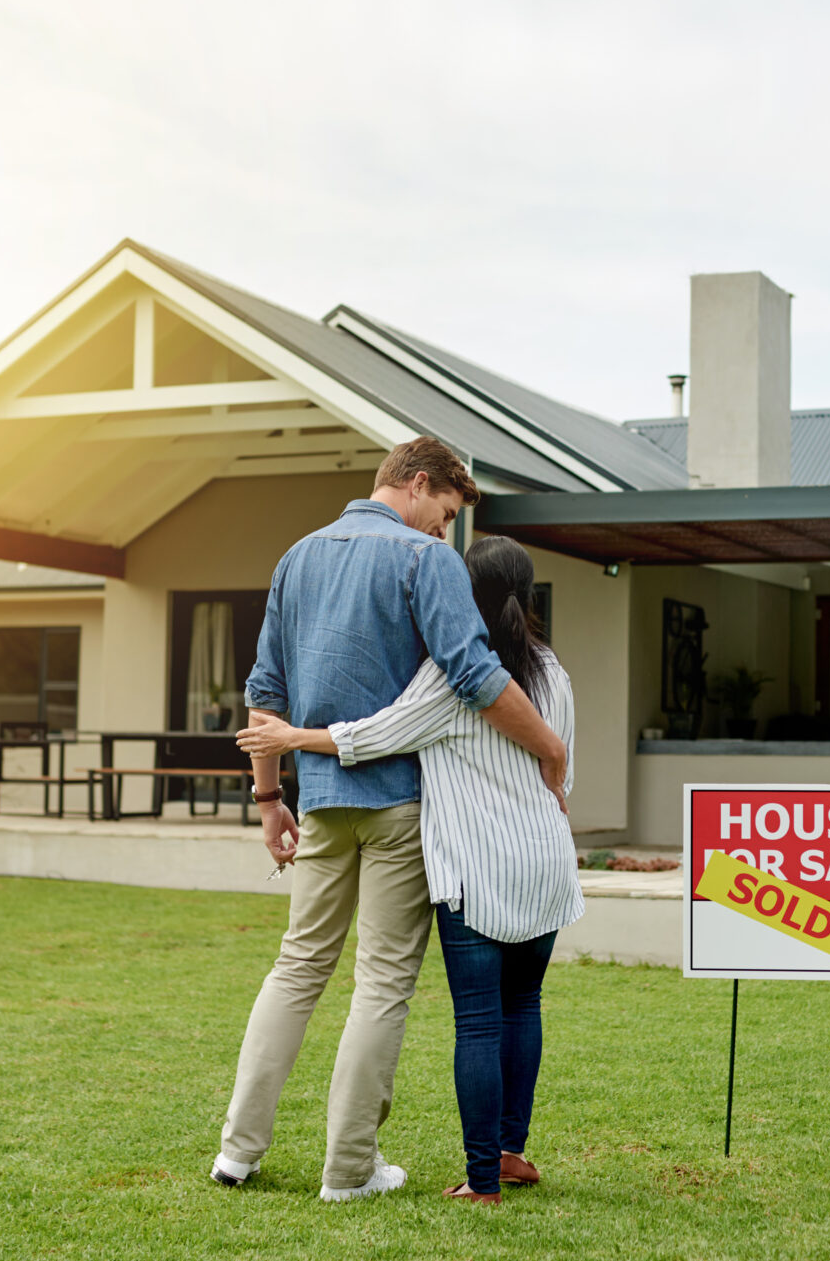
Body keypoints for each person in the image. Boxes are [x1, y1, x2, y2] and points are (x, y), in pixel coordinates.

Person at [210, 437, 568, 1203]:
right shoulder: (423, 560)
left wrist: (270, 800)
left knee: (297, 967)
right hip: (400, 804)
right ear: (415, 483)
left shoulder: (296, 556)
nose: (443, 533)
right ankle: (347, 1171)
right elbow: (474, 675)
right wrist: (549, 746)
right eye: (443, 514)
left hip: (321, 798)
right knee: (380, 982)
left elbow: (264, 688)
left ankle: (237, 1151)